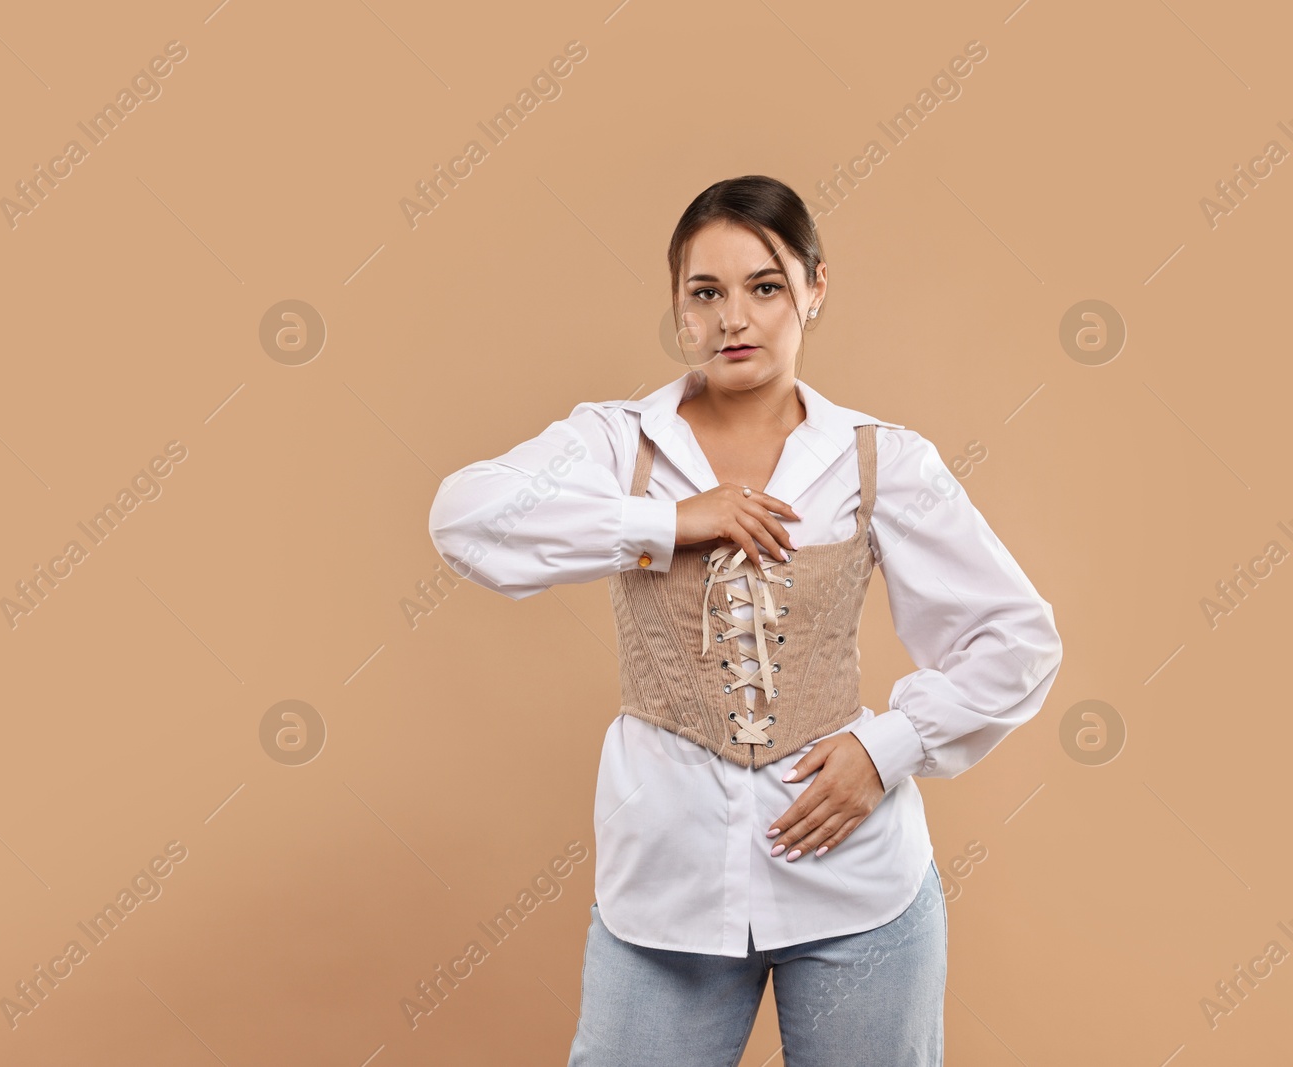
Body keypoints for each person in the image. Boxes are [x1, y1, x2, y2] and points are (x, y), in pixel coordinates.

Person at [425, 175, 1063, 1066]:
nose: (736, 317)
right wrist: (665, 524)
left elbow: (1020, 640)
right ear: (679, 309)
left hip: (860, 885)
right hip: (666, 884)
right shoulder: (620, 443)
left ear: (814, 288)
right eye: (706, 292)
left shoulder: (878, 459)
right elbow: (466, 518)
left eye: (765, 286)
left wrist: (890, 749)